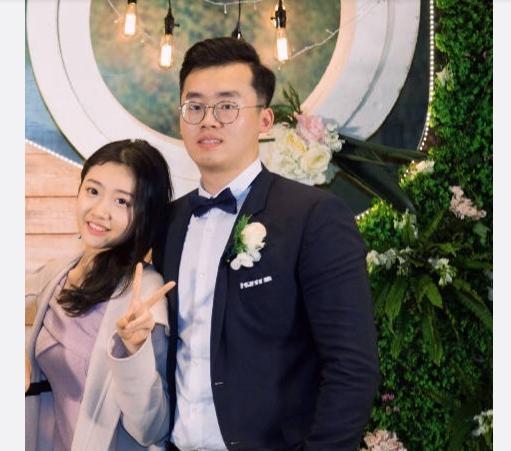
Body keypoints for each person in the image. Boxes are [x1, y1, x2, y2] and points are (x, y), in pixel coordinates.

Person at [153, 37, 380, 451]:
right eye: (195, 106)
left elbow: (352, 366)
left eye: (227, 106)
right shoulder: (167, 223)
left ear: (264, 120)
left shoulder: (313, 216)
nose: (209, 120)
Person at [25, 139, 176, 451]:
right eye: (93, 191)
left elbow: (152, 428)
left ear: (145, 214)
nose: (100, 211)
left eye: (122, 202)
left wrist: (133, 351)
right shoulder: (60, 272)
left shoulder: (143, 292)